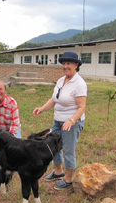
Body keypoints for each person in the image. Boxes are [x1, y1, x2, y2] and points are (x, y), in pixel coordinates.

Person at [32, 50, 87, 190]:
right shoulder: (61, 80)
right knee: (52, 145)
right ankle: (58, 171)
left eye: (68, 63)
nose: (65, 66)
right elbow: (54, 99)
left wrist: (72, 121)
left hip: (71, 123)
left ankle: (68, 179)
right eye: (63, 63)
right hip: (58, 120)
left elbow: (81, 107)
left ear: (76, 65)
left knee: (68, 150)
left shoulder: (79, 83)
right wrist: (42, 108)